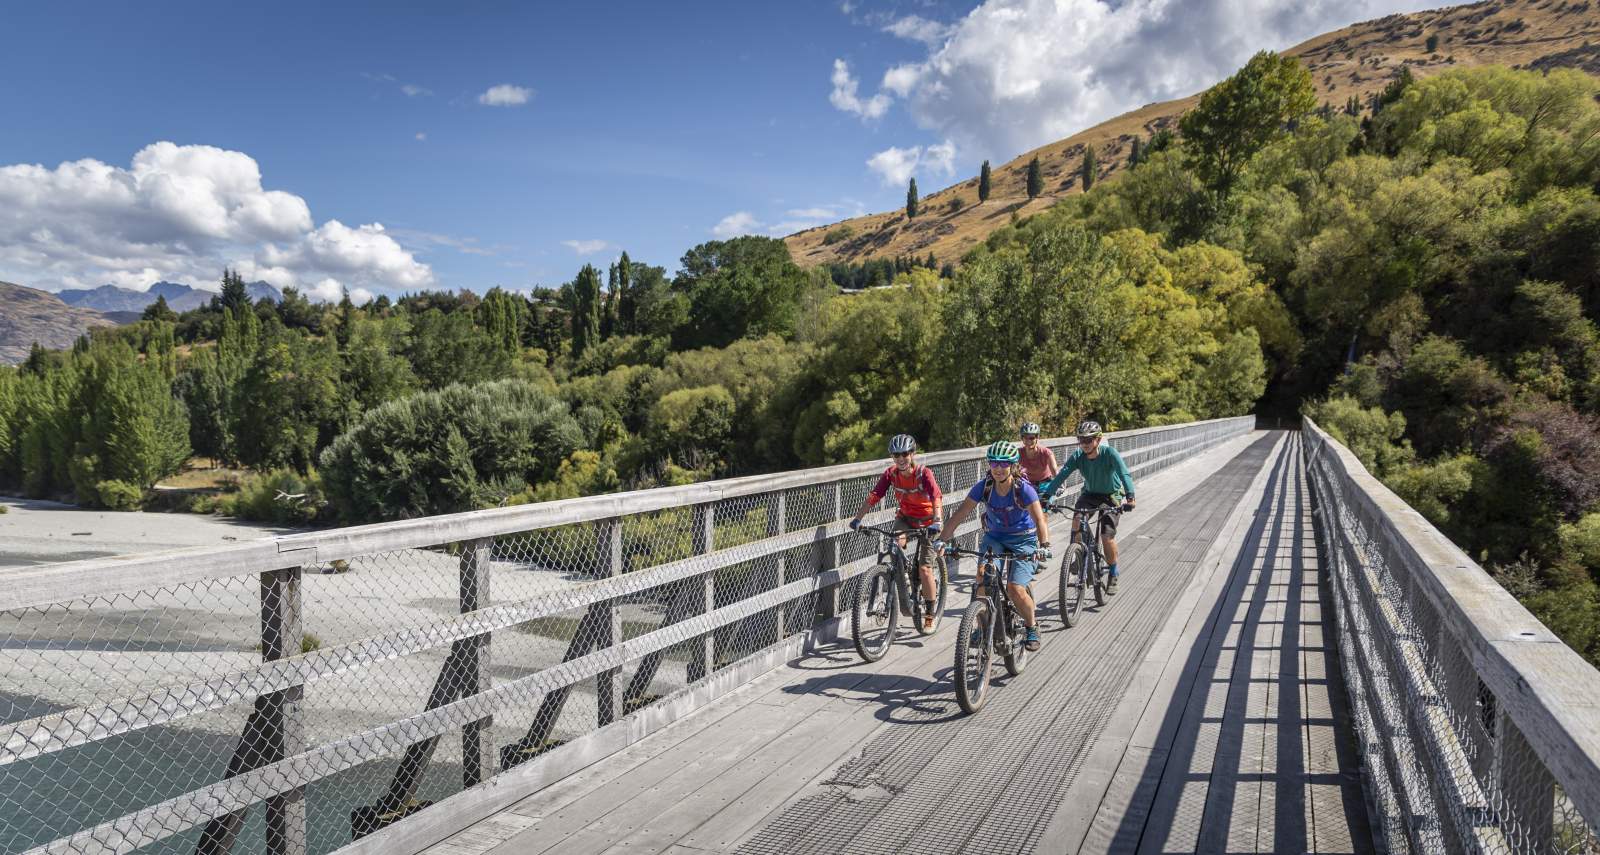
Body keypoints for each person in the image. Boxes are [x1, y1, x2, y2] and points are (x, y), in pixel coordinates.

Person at [937, 440, 1051, 651]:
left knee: (1015, 589)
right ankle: (982, 624)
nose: (998, 468)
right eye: (993, 463)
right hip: (995, 538)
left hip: (1023, 539)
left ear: (1013, 465)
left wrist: (1044, 545)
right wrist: (941, 540)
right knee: (982, 577)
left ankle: (1031, 626)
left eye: (1003, 463)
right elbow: (960, 514)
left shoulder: (1024, 489)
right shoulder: (984, 487)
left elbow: (1040, 520)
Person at [849, 434, 945, 630]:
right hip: (906, 518)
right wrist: (858, 518)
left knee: (925, 569)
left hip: (928, 522)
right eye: (896, 455)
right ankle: (903, 578)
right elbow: (874, 496)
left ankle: (929, 613)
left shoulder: (923, 473)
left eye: (904, 454)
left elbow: (936, 496)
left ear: (912, 454)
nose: (900, 459)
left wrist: (937, 520)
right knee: (895, 546)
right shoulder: (890, 474)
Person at [1040, 420, 1135, 594]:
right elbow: (1061, 476)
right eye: (1081, 440)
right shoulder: (1078, 456)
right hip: (1090, 495)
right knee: (1077, 521)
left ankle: (1113, 572)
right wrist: (1047, 496)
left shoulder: (1109, 453)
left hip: (1110, 496)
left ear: (1098, 440)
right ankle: (1076, 555)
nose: (1084, 444)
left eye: (1088, 440)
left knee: (1107, 536)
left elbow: (1124, 473)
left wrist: (1130, 497)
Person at [1018, 422, 1057, 486]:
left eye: (1031, 438)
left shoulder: (1046, 453)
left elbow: (1054, 471)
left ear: (1037, 438)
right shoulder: (1018, 453)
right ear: (1022, 438)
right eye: (1025, 438)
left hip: (1045, 484)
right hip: (1027, 484)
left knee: (1046, 495)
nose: (1028, 441)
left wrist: (1059, 484)